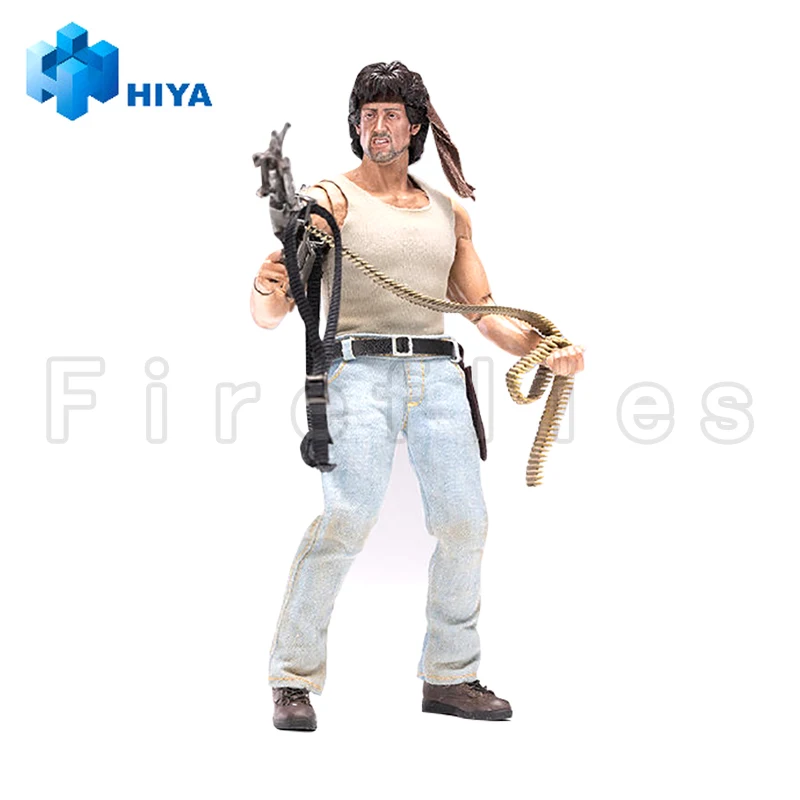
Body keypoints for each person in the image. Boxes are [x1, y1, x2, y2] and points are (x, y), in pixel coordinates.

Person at [251, 62, 585, 731]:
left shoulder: (448, 213)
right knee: (346, 519)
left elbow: (483, 312)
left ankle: (451, 676)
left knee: (466, 522)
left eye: (392, 114)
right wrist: (269, 284)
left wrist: (544, 349)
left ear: (415, 126)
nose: (379, 126)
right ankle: (292, 677)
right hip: (357, 371)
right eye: (368, 114)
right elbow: (269, 315)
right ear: (356, 125)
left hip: (437, 375)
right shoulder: (329, 201)